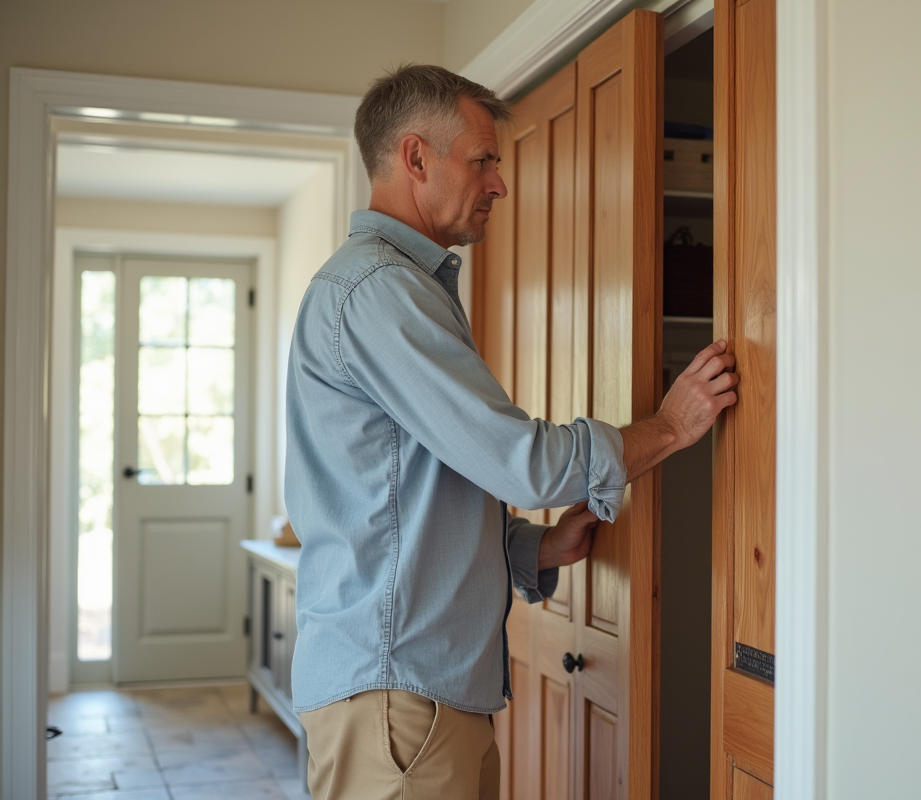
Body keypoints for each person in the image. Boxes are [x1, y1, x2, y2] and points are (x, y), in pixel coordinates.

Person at [285, 64, 738, 800]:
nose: (499, 183)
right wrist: (670, 426)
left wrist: (532, 550)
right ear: (415, 157)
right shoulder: (378, 291)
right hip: (399, 701)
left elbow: (407, 496)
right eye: (483, 160)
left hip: (416, 697)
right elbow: (521, 463)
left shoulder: (394, 289)